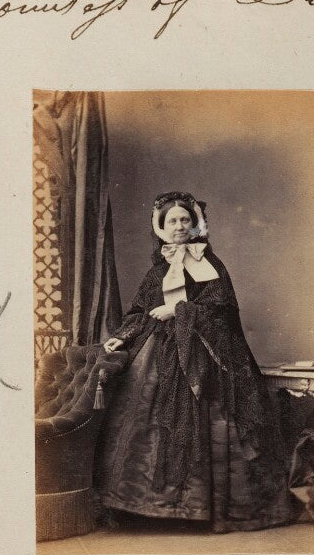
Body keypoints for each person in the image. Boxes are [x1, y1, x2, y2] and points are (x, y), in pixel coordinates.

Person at [94, 191, 293, 533]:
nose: (179, 226)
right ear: (161, 227)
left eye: (185, 219)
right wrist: (122, 336)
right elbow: (141, 311)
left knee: (216, 419)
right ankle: (147, 507)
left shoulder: (211, 266)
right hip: (159, 354)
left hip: (209, 354)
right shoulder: (156, 272)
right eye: (172, 221)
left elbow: (222, 311)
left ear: (195, 223)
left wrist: (178, 311)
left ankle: (206, 508)